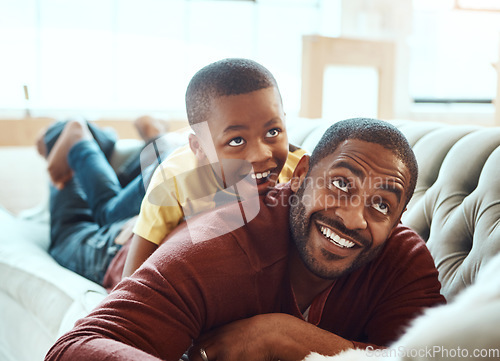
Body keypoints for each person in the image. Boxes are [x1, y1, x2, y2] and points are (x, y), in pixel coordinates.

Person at [45, 118, 446, 361]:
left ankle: (148, 140)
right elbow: (74, 348)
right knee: (77, 225)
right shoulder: (223, 241)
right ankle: (75, 140)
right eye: (341, 183)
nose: (354, 217)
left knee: (129, 192)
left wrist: (286, 335)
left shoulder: (403, 258)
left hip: (180, 202)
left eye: (381, 205)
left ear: (398, 219)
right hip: (117, 250)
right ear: (302, 173)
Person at [121, 58, 305, 278]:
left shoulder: (301, 169)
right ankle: (82, 137)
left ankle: (156, 134)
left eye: (273, 132)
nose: (262, 154)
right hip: (119, 242)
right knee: (102, 211)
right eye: (237, 141)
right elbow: (129, 282)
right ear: (199, 146)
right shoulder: (173, 181)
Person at [37, 116, 171, 287]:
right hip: (115, 230)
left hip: (169, 168)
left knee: (54, 142)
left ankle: (86, 138)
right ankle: (80, 140)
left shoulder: (195, 157)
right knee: (105, 211)